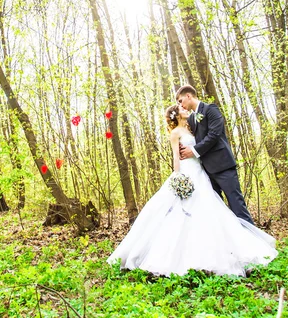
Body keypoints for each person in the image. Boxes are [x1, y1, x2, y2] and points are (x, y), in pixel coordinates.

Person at [107, 104, 277, 277]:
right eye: (182, 109)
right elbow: (176, 156)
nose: (185, 110)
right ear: (176, 115)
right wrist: (178, 177)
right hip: (186, 173)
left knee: (209, 209)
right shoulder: (176, 133)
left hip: (200, 173)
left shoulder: (192, 130)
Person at [177, 84, 254, 224]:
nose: (180, 105)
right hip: (206, 172)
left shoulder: (210, 109)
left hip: (223, 166)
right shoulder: (192, 119)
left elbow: (214, 135)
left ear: (188, 96)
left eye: (181, 100)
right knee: (217, 209)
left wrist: (193, 151)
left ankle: (252, 239)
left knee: (237, 204)